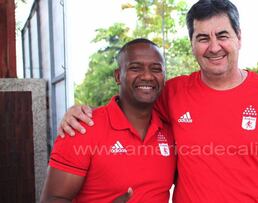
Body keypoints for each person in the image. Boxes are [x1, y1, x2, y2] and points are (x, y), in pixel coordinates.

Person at [58, 0, 258, 202]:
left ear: (239, 37)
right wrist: (79, 112)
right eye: (203, 38)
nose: (214, 47)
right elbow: (129, 105)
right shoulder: (172, 92)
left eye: (222, 35)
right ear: (192, 44)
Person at [41, 38, 176, 202]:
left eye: (156, 69)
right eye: (135, 68)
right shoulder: (81, 128)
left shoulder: (171, 131)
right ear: (118, 76)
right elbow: (53, 199)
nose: (147, 76)